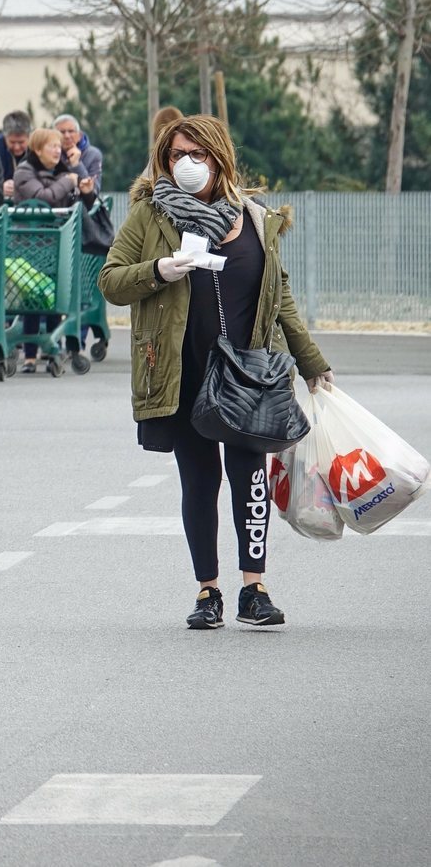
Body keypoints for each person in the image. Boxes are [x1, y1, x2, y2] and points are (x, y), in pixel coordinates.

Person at [99, 113, 332, 631]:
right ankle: (208, 591)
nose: (186, 164)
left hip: (248, 374)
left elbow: (281, 295)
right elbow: (111, 281)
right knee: (199, 480)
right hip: (182, 372)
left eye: (197, 154)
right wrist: (159, 271)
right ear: (164, 161)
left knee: (250, 478)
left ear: (219, 158)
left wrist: (312, 362)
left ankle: (255, 589)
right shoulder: (150, 216)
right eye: (176, 155)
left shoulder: (253, 218)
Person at [12, 127, 97, 371]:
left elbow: (86, 200)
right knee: (33, 297)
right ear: (38, 149)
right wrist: (66, 181)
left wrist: (84, 184)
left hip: (58, 244)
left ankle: (51, 350)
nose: (58, 150)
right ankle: (29, 356)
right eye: (52, 146)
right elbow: (44, 198)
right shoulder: (24, 171)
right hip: (30, 245)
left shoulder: (64, 171)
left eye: (59, 146)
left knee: (53, 296)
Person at [0, 110, 33, 199]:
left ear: (29, 136)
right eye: (12, 142)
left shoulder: (38, 147)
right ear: (4, 136)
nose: (17, 147)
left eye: (21, 142)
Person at [54, 113, 104, 193]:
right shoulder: (49, 153)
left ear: (79, 135)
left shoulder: (93, 154)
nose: (67, 136)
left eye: (71, 131)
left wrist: (77, 165)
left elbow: (95, 190)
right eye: (62, 132)